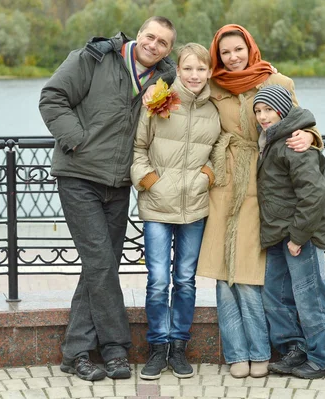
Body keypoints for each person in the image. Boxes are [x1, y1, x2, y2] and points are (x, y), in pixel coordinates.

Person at [38, 16, 177, 382]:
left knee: (101, 265)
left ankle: (76, 353)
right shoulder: (94, 58)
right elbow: (52, 98)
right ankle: (113, 349)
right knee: (100, 262)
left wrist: (168, 78)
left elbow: (195, 77)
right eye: (150, 36)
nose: (154, 45)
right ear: (139, 35)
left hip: (118, 184)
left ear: (168, 49)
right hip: (79, 176)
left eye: (163, 42)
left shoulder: (163, 77)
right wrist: (77, 140)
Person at [195, 24, 323, 379]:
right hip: (222, 182)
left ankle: (262, 352)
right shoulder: (214, 84)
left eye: (238, 49)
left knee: (253, 272)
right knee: (222, 273)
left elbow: (301, 122)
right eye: (225, 53)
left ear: (250, 48)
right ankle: (236, 353)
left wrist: (309, 137)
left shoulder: (277, 82)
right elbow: (184, 91)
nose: (232, 58)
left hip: (262, 182)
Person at [131, 43, 221, 380]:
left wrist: (207, 176)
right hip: (156, 206)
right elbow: (138, 148)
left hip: (195, 207)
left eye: (201, 69)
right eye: (188, 68)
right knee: (157, 281)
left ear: (209, 72)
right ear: (178, 70)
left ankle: (179, 347)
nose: (194, 75)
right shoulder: (158, 100)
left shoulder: (215, 108)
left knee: (184, 280)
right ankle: (157, 348)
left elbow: (218, 150)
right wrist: (149, 180)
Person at [253, 84, 325, 379]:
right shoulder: (272, 140)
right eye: (258, 111)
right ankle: (296, 350)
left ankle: (324, 358)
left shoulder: (294, 143)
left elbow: (315, 194)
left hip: (299, 236)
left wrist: (298, 237)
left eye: (269, 110)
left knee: (310, 298)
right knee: (275, 297)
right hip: (279, 234)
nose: (263, 116)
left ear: (283, 110)